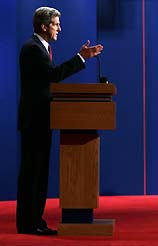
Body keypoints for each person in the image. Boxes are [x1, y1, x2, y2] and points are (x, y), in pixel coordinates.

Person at [17, 6, 103, 235]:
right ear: (44, 26)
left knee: (39, 173)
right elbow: (52, 76)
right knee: (32, 173)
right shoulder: (32, 49)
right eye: (55, 24)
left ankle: (35, 220)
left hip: (43, 119)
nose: (59, 28)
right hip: (34, 120)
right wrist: (81, 58)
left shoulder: (41, 48)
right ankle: (28, 223)